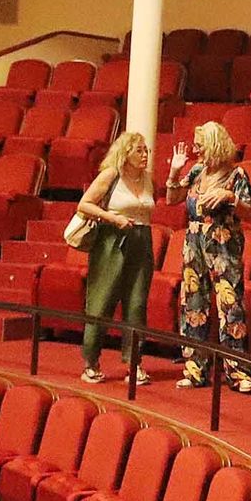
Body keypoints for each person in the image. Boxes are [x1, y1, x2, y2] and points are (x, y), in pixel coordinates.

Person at [166, 121, 251, 394]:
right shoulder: (196, 171)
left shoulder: (236, 174)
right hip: (194, 243)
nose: (196, 150)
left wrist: (229, 197)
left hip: (224, 245)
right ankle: (194, 369)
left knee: (231, 308)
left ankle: (238, 371)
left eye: (200, 145)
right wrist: (173, 171)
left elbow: (250, 212)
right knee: (193, 304)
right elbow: (172, 198)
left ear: (215, 145)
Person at [76, 131, 156, 385]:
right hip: (112, 239)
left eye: (146, 151)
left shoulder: (147, 179)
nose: (145, 155)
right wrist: (112, 218)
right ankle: (90, 361)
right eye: (139, 151)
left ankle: (134, 363)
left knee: (136, 302)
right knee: (102, 299)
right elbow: (84, 204)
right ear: (126, 153)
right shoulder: (111, 174)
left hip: (141, 240)